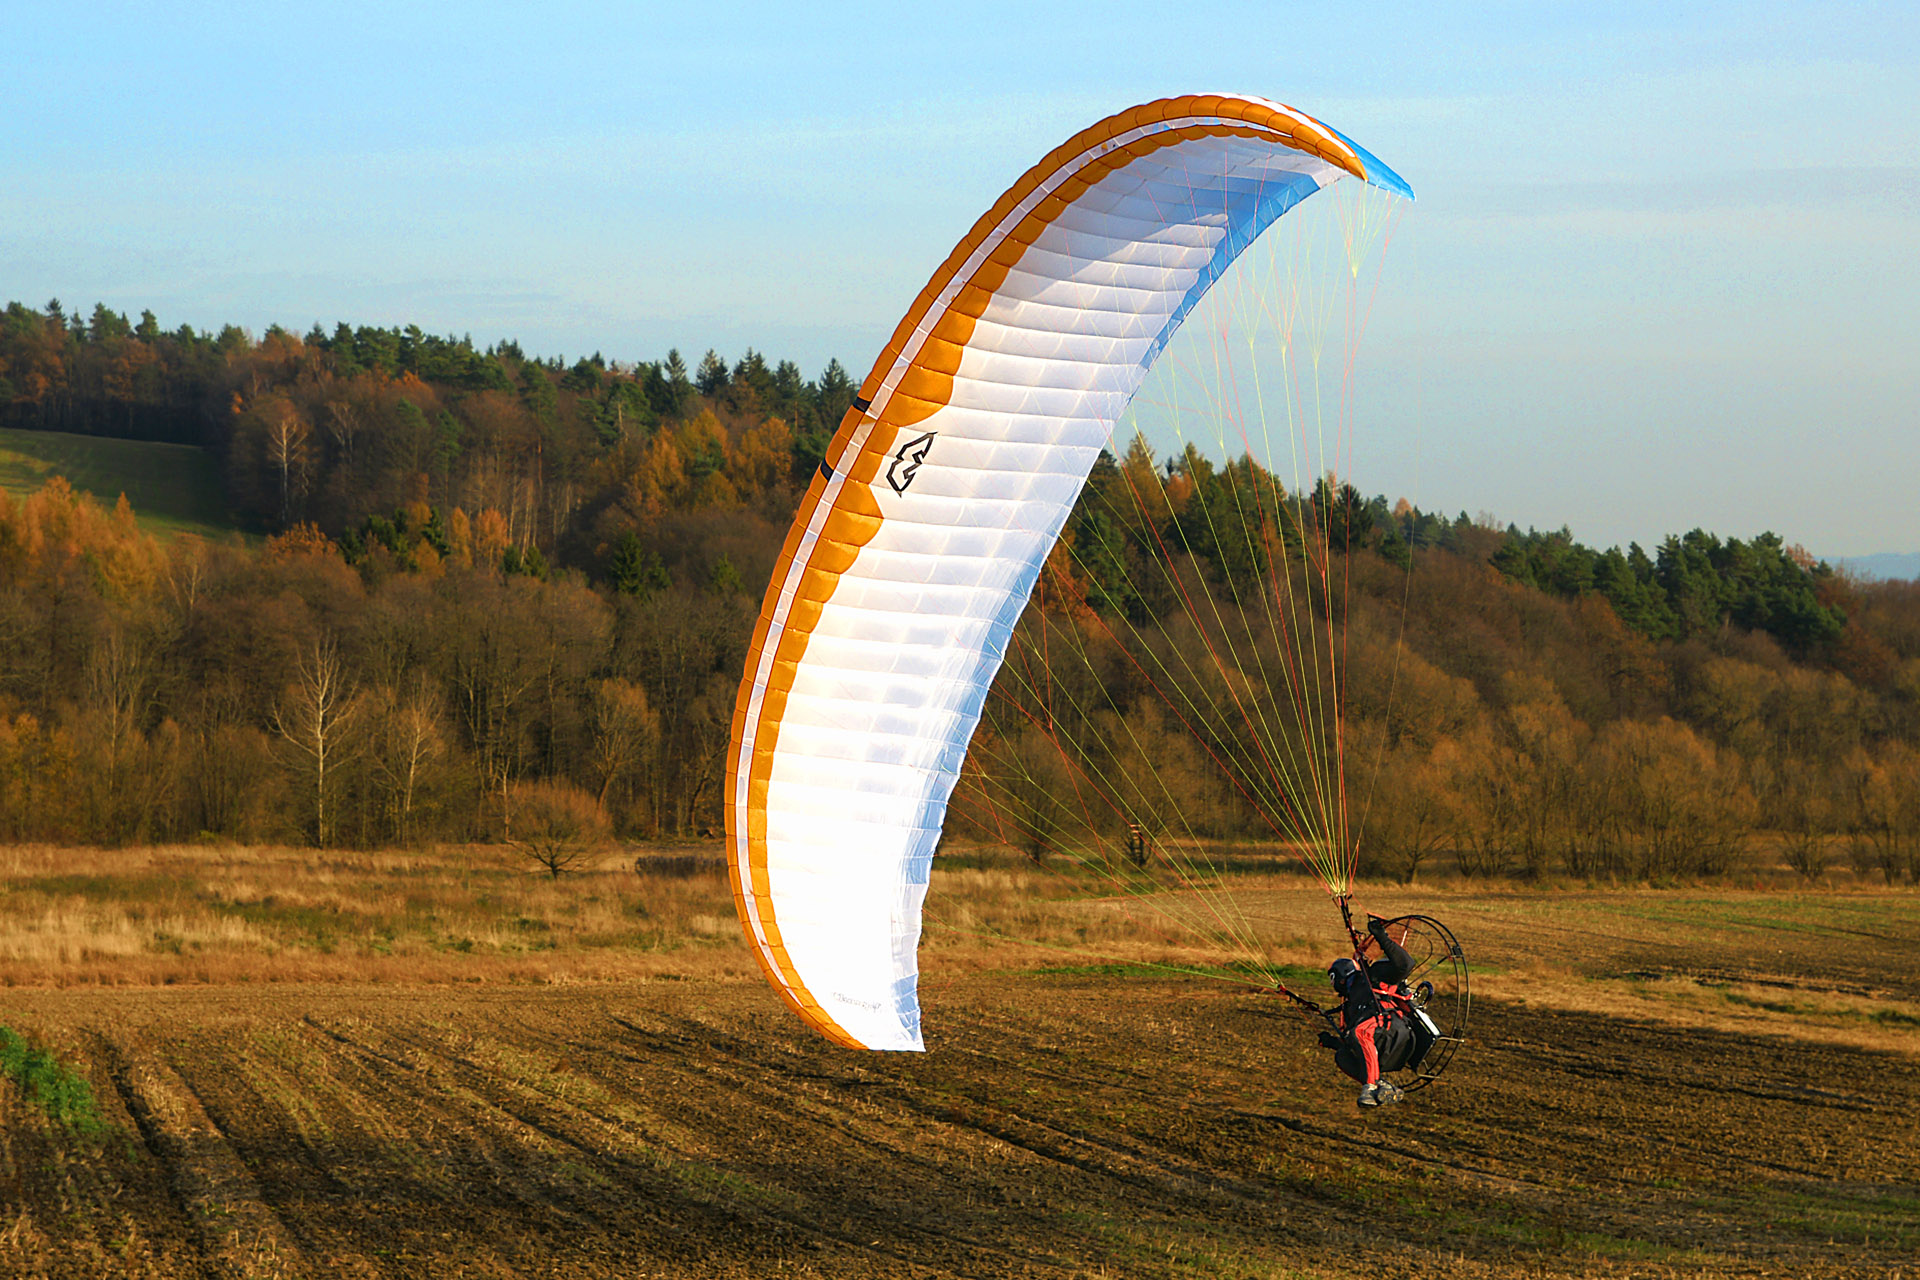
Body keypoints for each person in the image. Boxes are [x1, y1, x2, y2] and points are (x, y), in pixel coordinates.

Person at [1318, 914, 1417, 1108]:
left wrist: (1381, 936)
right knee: (1343, 1056)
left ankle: (1370, 1087)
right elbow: (1353, 1045)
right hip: (1382, 1050)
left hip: (1394, 1031)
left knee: (1361, 1031)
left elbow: (1406, 965)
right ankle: (1380, 1085)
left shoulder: (1372, 974)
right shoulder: (1348, 1008)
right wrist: (1334, 1043)